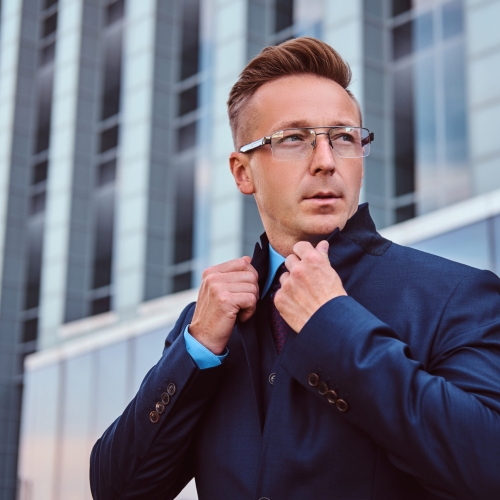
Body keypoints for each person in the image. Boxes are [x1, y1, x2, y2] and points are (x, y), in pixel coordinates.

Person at [90, 37, 500, 500]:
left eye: (344, 138)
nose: (326, 162)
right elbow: (117, 489)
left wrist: (335, 327)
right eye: (293, 139)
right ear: (242, 173)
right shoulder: (208, 325)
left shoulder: (455, 295)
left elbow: (489, 469)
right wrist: (195, 350)